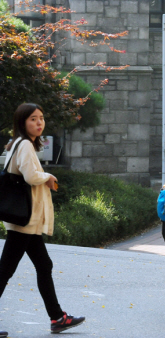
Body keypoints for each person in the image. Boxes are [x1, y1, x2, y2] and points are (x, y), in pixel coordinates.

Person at [0, 103, 85, 334]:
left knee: (43, 265)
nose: (39, 123)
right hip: (25, 219)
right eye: (33, 119)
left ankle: (57, 317)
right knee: (5, 271)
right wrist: (47, 175)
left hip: (28, 219)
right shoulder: (25, 144)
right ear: (22, 122)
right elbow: (30, 175)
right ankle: (57, 317)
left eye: (41, 118)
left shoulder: (18, 143)